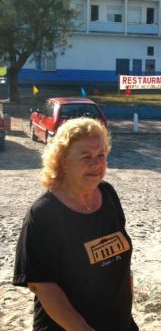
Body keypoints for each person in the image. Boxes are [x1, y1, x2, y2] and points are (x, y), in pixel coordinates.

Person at [13, 117, 138, 331]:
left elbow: (121, 262)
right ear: (63, 161)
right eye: (85, 157)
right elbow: (41, 284)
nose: (96, 164)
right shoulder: (43, 213)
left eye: (101, 155)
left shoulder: (107, 195)